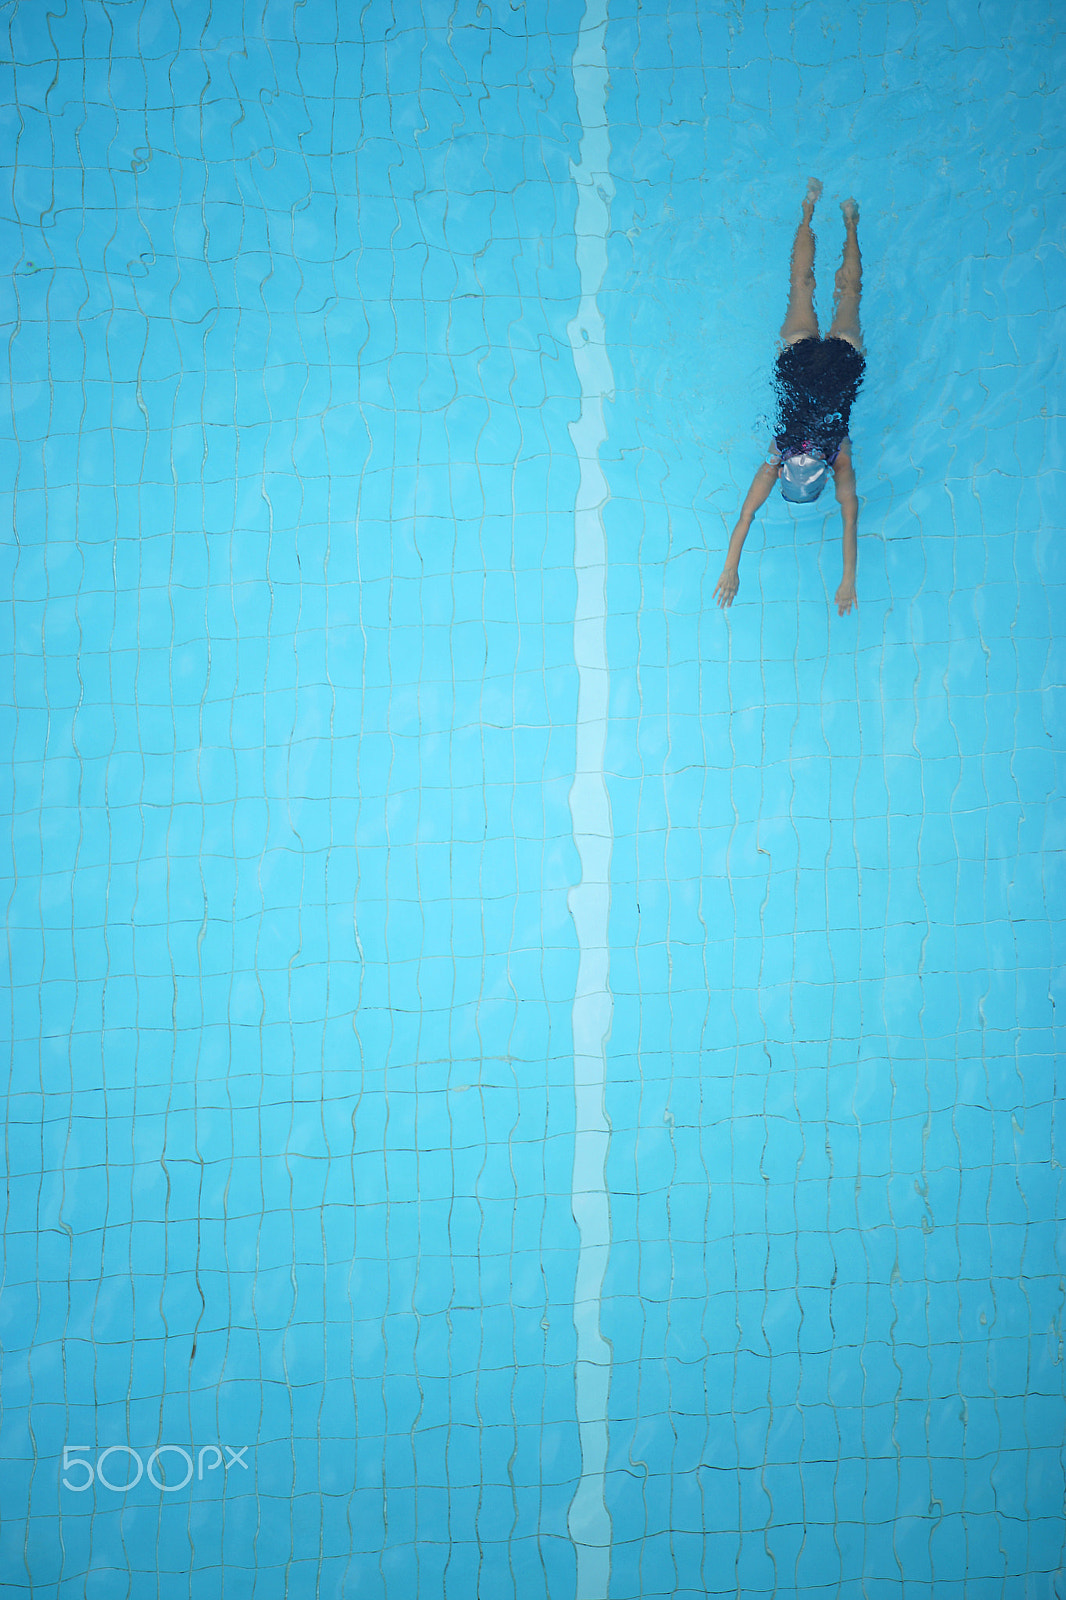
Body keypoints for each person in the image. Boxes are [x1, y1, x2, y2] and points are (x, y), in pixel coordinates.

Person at [714, 180, 865, 617]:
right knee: (801, 284)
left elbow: (849, 518)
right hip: (798, 362)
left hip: (841, 365)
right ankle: (809, 209)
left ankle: (848, 222)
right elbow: (745, 517)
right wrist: (730, 567)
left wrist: (847, 580)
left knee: (847, 294)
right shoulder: (777, 455)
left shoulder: (839, 459)